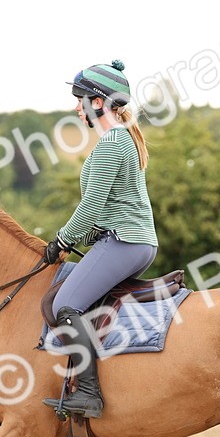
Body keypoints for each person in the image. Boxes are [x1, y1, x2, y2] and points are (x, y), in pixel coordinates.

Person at [41, 59, 158, 418]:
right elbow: (106, 208)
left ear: (98, 102)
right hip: (126, 239)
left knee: (65, 305)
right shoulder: (120, 139)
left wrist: (62, 240)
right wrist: (84, 235)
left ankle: (88, 393)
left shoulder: (112, 144)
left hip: (126, 242)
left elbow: (91, 206)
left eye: (80, 99)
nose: (76, 107)